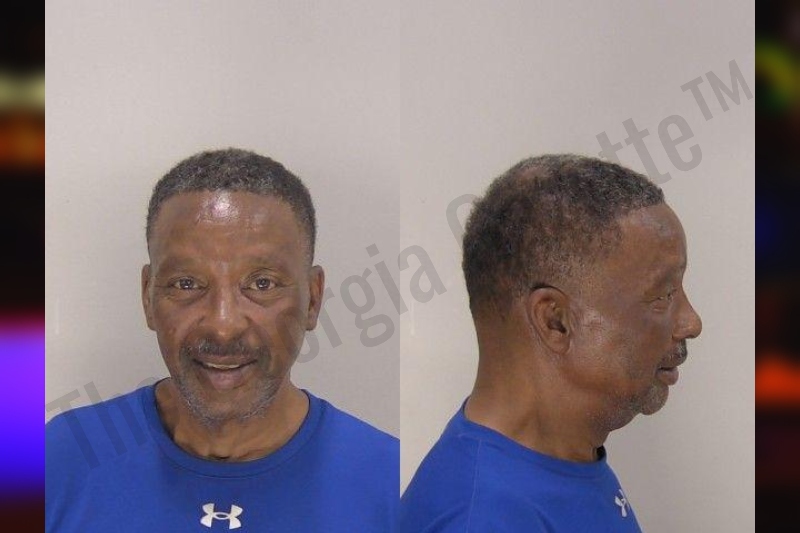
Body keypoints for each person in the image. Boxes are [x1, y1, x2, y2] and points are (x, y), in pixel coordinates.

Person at [46, 148, 399, 532]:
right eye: (187, 284)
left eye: (261, 284)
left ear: (312, 299)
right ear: (148, 296)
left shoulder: (392, 486)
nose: (223, 326)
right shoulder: (59, 459)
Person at [400, 154, 703, 532]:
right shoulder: (481, 518)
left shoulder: (564, 462)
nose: (691, 323)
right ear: (555, 321)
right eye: (662, 295)